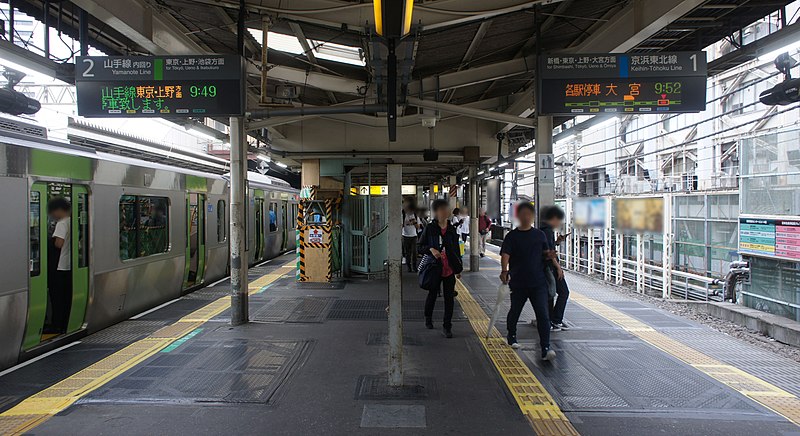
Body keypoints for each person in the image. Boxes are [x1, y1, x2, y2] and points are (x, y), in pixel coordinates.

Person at [500, 202, 556, 361]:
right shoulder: (512, 236)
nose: (526, 217)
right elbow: (505, 254)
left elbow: (545, 253)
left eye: (529, 214)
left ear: (532, 216)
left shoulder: (539, 235)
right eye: (523, 214)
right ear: (518, 216)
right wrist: (504, 271)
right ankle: (511, 336)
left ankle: (546, 348)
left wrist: (554, 261)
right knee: (515, 311)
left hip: (538, 283)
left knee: (543, 315)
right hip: (518, 282)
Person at [418, 199, 463, 338]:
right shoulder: (430, 228)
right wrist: (431, 249)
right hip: (434, 267)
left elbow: (456, 250)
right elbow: (420, 247)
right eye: (442, 209)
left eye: (446, 209)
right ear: (436, 212)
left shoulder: (451, 229)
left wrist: (458, 268)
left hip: (449, 268)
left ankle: (447, 326)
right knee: (432, 294)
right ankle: (428, 317)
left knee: (449, 298)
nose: (445, 212)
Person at [539, 205, 570, 331]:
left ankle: (552, 320)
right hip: (550, 267)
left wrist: (557, 241)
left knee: (552, 293)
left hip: (548, 266)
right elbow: (549, 252)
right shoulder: (547, 231)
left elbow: (550, 247)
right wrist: (558, 268)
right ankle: (555, 320)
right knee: (563, 292)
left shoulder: (545, 230)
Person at [48, 197, 72, 334]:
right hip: (69, 266)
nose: (52, 215)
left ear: (59, 210)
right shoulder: (72, 221)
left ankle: (57, 324)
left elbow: (59, 243)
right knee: (66, 297)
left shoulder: (62, 223)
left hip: (60, 266)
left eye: (53, 211)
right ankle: (65, 323)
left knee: (57, 298)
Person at [402, 199, 421, 272]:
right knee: (407, 253)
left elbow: (418, 227)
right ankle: (409, 267)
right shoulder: (403, 215)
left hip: (414, 236)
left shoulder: (415, 215)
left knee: (414, 252)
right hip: (405, 236)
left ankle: (414, 266)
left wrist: (414, 222)